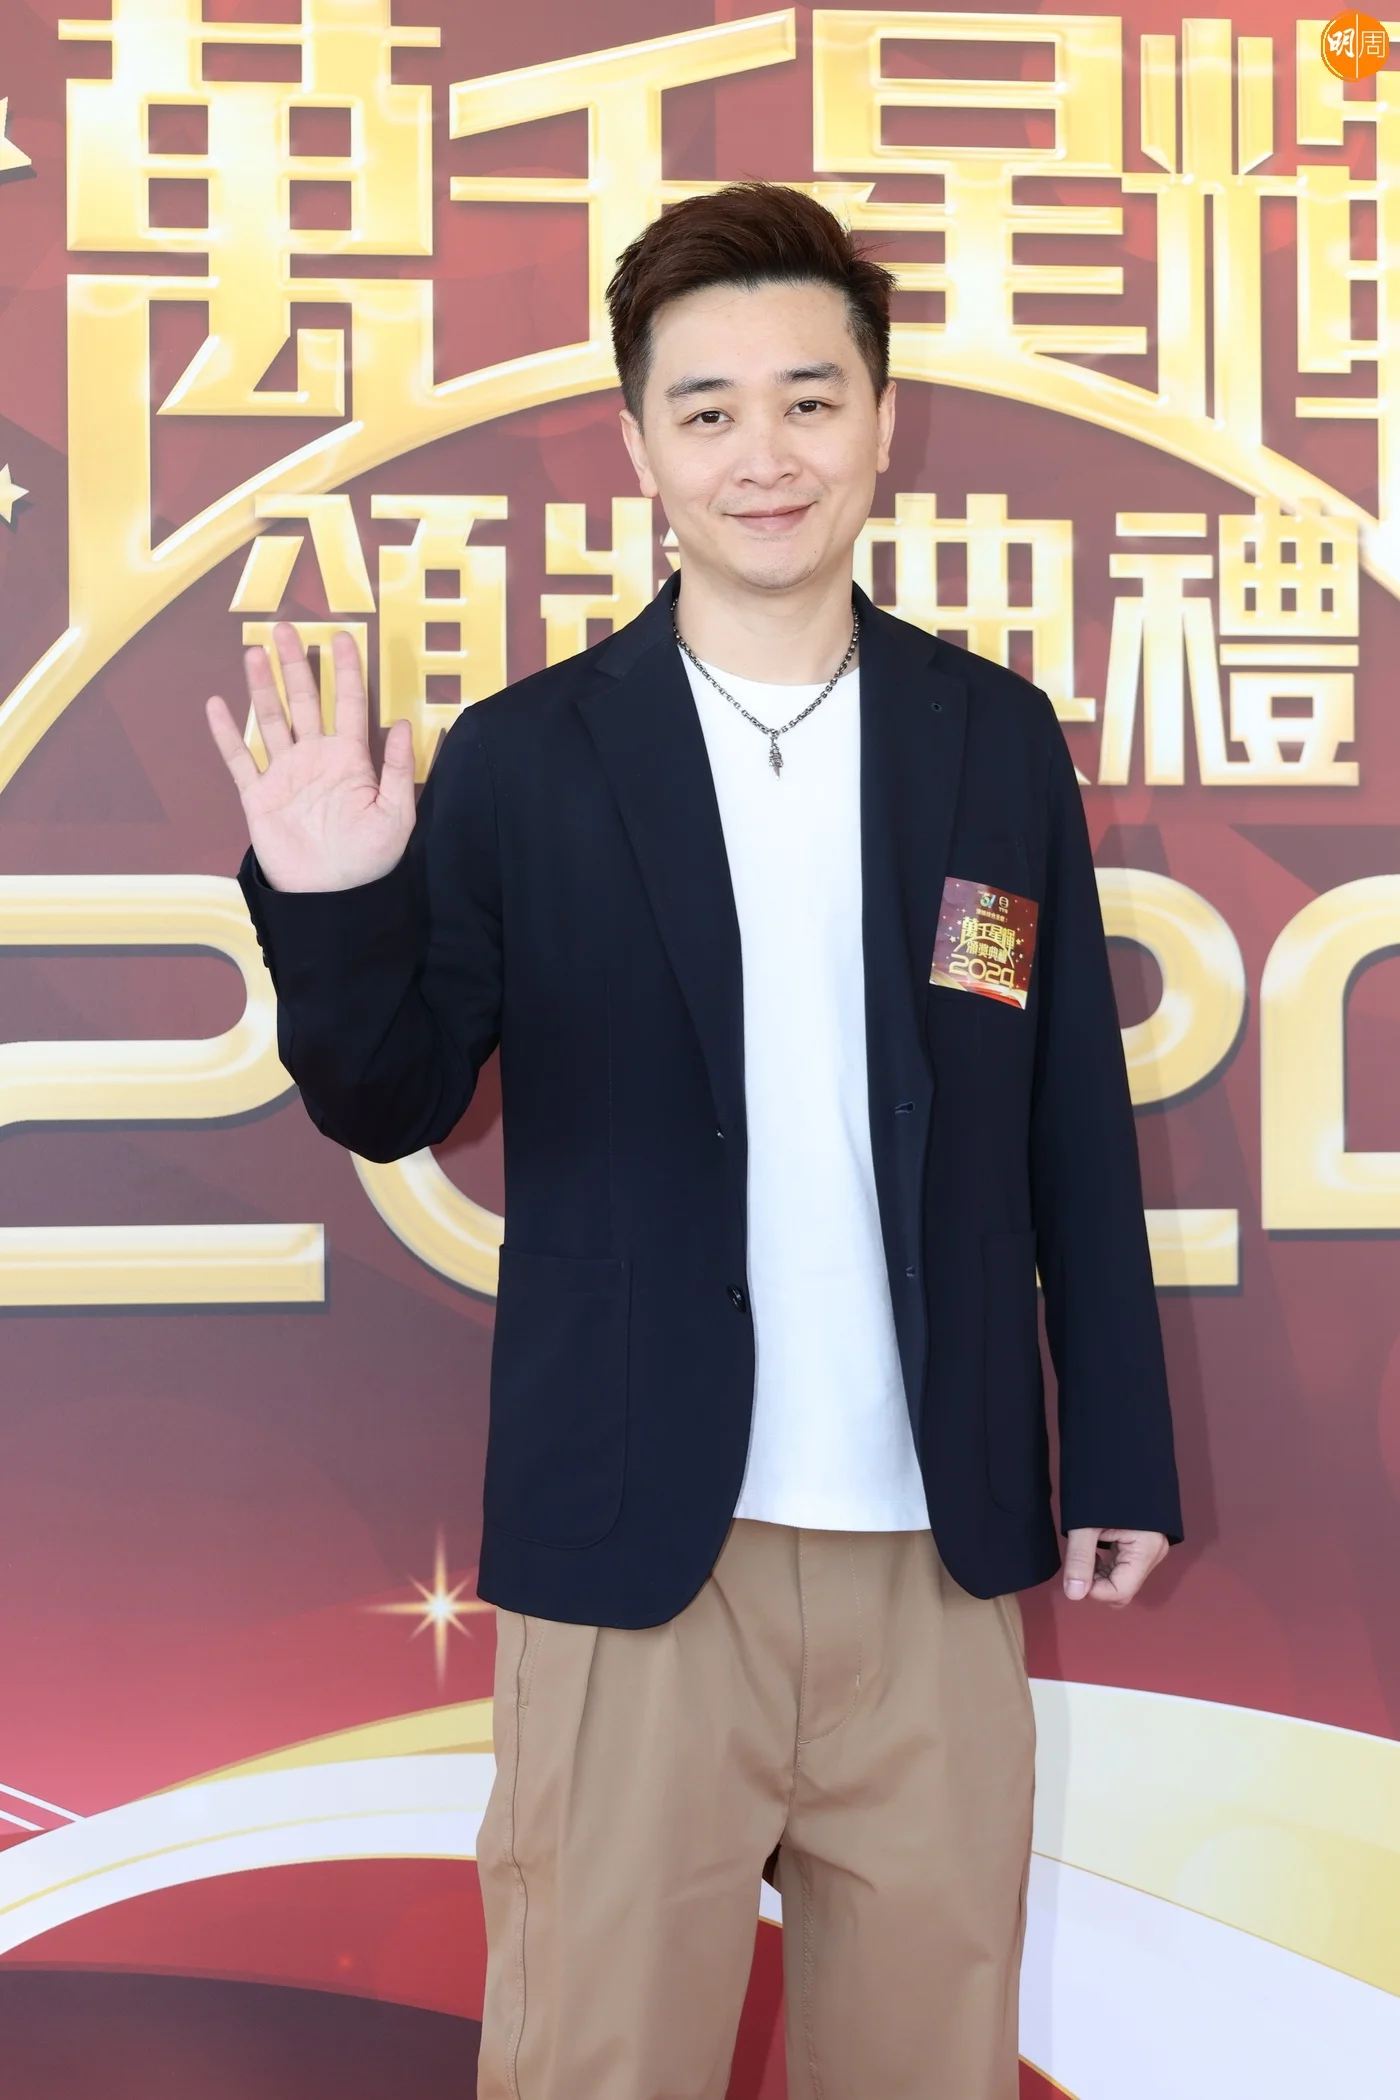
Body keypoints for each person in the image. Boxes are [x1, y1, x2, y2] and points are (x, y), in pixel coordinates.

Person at [207, 182, 1182, 2100]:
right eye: (710, 409)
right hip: (639, 1550)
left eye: (811, 400)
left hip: (937, 1545)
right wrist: (335, 906)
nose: (766, 454)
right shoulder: (529, 757)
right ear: (639, 444)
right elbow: (393, 1099)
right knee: (595, 2065)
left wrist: (1122, 1444)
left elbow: (1064, 1109)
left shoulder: (990, 742)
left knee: (928, 2064)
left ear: (882, 420)